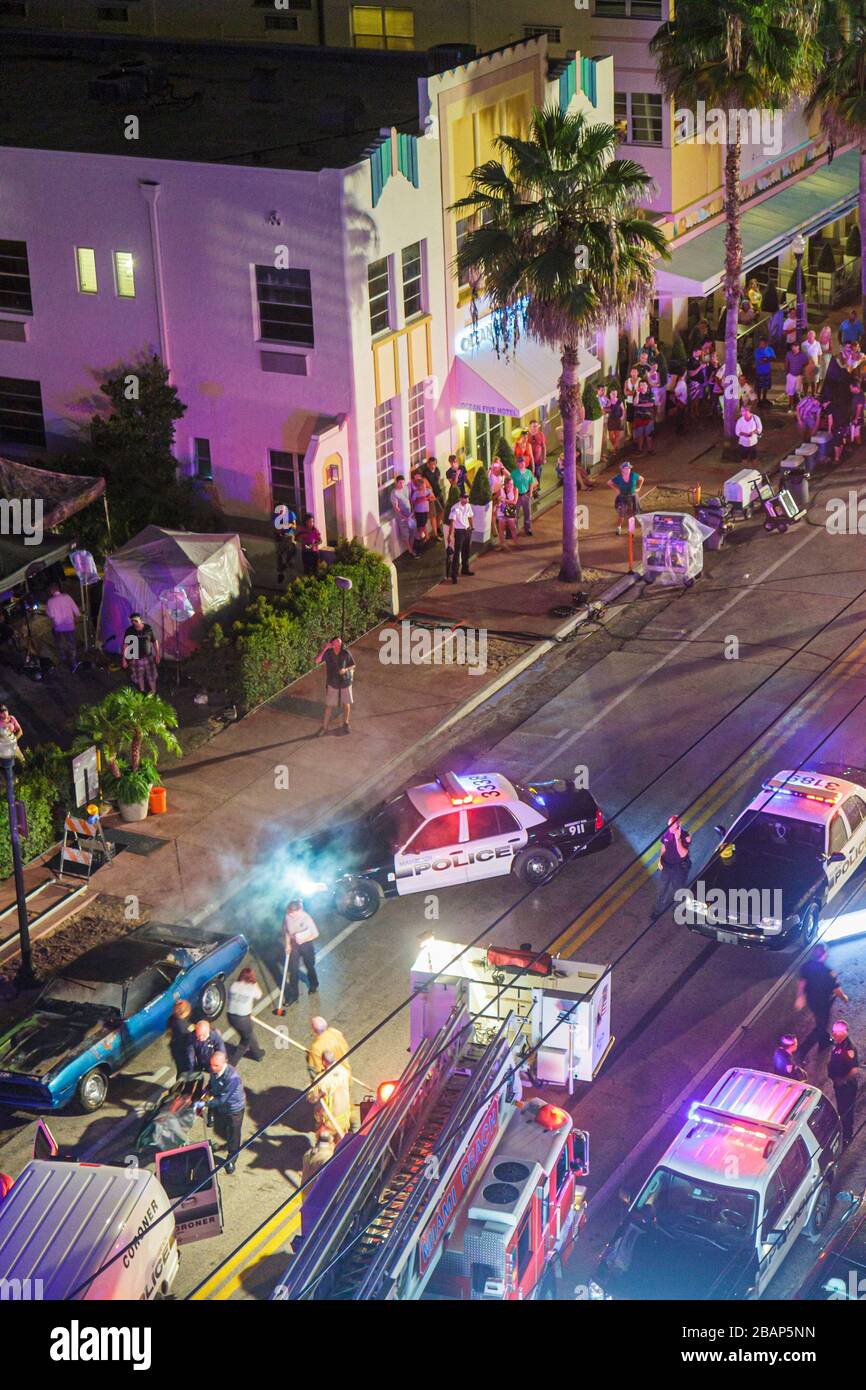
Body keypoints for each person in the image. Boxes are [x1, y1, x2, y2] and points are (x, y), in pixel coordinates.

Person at [797, 943, 848, 1056]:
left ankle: (824, 1041)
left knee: (820, 1020)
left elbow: (802, 982)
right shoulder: (828, 972)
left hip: (811, 1000)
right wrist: (844, 998)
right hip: (823, 1002)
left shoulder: (806, 966)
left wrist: (800, 997)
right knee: (821, 1025)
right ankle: (801, 1052)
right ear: (824, 955)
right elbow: (836, 990)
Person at [205, 1052, 246, 1173]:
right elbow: (211, 1084)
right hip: (222, 1107)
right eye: (211, 1065)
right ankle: (226, 1144)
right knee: (222, 1129)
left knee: (234, 1134)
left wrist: (206, 1104)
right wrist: (206, 1091)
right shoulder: (214, 1071)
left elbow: (223, 1099)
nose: (212, 1068)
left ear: (224, 1063)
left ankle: (232, 1159)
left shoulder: (232, 1078)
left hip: (234, 1109)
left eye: (216, 1065)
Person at [315, 635, 354, 736]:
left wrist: (345, 670)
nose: (338, 645)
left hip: (345, 681)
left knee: (346, 703)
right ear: (332, 644)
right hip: (333, 682)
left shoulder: (345, 653)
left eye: (340, 644)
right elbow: (317, 661)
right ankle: (325, 727)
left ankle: (346, 723)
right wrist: (325, 648)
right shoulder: (328, 653)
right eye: (336, 643)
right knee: (329, 705)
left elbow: (353, 665)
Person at [282, 897, 320, 1003]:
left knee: (309, 966)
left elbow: (315, 934)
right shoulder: (288, 917)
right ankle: (294, 996)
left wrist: (303, 939)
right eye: (289, 913)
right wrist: (288, 944)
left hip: (306, 945)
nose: (291, 915)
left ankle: (314, 984)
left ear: (299, 910)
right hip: (294, 945)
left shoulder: (306, 918)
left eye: (292, 913)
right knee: (293, 970)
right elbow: (286, 931)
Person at [828, 1020, 858, 1147]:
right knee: (841, 1109)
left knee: (846, 1111)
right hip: (839, 1085)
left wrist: (843, 1080)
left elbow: (854, 1070)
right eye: (833, 1032)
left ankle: (847, 1136)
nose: (834, 1035)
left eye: (836, 1032)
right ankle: (843, 1131)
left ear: (843, 1032)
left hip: (847, 1087)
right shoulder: (838, 1044)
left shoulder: (849, 1048)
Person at [310, 1049, 352, 1138]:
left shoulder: (322, 1080)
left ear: (323, 1062)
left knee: (325, 1141)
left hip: (330, 1121)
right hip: (344, 1117)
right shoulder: (343, 1071)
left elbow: (313, 1098)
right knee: (341, 1140)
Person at [655, 814, 692, 915]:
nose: (670, 828)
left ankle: (681, 911)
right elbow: (663, 848)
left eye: (673, 826)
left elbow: (682, 854)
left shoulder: (686, 836)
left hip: (679, 868)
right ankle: (658, 911)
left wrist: (677, 839)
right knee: (662, 889)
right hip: (667, 867)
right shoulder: (667, 834)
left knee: (679, 890)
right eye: (669, 826)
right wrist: (659, 860)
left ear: (679, 825)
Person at [227, 966, 265, 1063]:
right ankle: (232, 1062)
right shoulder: (251, 988)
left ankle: (257, 1053)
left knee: (249, 1034)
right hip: (243, 1019)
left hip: (231, 1016)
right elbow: (259, 995)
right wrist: (255, 982)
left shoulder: (234, 985)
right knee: (245, 1040)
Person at [121, 611, 160, 694]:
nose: (134, 623)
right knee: (139, 676)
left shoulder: (148, 628)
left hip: (148, 657)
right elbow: (125, 645)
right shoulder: (129, 630)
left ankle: (153, 691)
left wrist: (157, 654)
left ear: (141, 620)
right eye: (132, 621)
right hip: (135, 657)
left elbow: (154, 641)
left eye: (136, 621)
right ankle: (142, 691)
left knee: (151, 675)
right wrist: (124, 659)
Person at [45, 583, 81, 670]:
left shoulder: (50, 601)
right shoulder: (67, 597)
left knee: (59, 643)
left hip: (58, 627)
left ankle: (62, 657)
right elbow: (75, 609)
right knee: (71, 644)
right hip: (69, 625)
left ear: (51, 592)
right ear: (59, 589)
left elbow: (51, 615)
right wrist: (77, 615)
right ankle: (73, 663)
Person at [307, 1015, 350, 1081]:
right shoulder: (335, 1032)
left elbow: (317, 1070)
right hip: (345, 1074)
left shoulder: (316, 1048)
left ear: (314, 1030)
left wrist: (310, 1056)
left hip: (331, 1082)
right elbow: (346, 1048)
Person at [607, 460, 643, 538]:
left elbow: (642, 479)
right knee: (621, 515)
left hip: (632, 497)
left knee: (631, 515)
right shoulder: (618, 477)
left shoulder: (634, 475)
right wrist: (616, 489)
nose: (628, 470)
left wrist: (639, 488)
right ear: (622, 469)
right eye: (626, 468)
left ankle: (631, 530)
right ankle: (618, 527)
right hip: (622, 497)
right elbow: (609, 483)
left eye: (629, 468)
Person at [445, 492, 474, 583]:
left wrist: (471, 527)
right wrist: (450, 534)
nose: (466, 499)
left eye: (467, 498)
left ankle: (465, 569)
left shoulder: (468, 506)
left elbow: (470, 516)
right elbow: (452, 522)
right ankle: (454, 574)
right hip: (459, 532)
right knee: (457, 553)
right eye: (465, 498)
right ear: (460, 498)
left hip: (467, 530)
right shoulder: (455, 508)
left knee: (466, 550)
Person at [389, 475, 418, 558]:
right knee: (406, 534)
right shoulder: (394, 493)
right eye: (400, 483)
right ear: (396, 483)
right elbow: (396, 507)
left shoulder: (406, 488)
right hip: (402, 517)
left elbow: (409, 499)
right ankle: (410, 551)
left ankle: (411, 548)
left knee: (413, 530)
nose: (402, 484)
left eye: (403, 482)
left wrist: (413, 510)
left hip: (410, 514)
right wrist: (404, 517)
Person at [168, 999, 196, 1079]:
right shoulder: (183, 1027)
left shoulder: (172, 1019)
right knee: (185, 1071)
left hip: (175, 1047)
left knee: (180, 1071)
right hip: (183, 1051)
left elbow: (169, 1032)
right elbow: (191, 1033)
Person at [510, 455, 536, 535]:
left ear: (525, 463)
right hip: (516, 496)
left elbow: (531, 482)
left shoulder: (529, 472)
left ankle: (527, 529)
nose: (522, 464)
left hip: (526, 495)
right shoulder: (513, 473)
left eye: (523, 462)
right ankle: (514, 530)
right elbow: (510, 485)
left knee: (527, 513)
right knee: (513, 514)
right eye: (520, 462)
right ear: (517, 463)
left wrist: (530, 492)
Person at [421, 456, 444, 539]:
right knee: (433, 515)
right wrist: (430, 494)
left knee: (442, 512)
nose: (433, 466)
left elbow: (437, 481)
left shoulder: (437, 470)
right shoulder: (425, 473)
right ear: (428, 464)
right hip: (431, 496)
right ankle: (436, 532)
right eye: (431, 464)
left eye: (434, 464)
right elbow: (426, 485)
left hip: (439, 493)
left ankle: (438, 527)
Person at [274, 506, 297, 586]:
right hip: (282, 536)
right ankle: (280, 572)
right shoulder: (277, 517)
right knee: (279, 554)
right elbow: (277, 529)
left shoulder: (291, 514)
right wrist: (280, 531)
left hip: (289, 535)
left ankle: (288, 563)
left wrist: (288, 525)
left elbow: (295, 526)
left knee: (290, 545)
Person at [409, 468, 433, 546]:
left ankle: (421, 539)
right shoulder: (415, 491)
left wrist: (427, 498)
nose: (424, 487)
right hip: (418, 511)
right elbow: (414, 500)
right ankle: (424, 538)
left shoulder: (427, 491)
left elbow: (432, 497)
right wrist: (424, 498)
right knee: (421, 525)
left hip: (425, 510)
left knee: (422, 524)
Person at [631, 379, 655, 453]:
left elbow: (651, 404)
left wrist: (640, 404)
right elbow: (635, 403)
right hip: (639, 417)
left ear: (647, 385)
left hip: (648, 417)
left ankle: (650, 449)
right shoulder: (637, 393)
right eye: (641, 385)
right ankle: (640, 449)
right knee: (640, 434)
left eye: (644, 385)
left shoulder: (651, 393)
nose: (642, 386)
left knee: (649, 434)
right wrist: (637, 394)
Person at [497, 473, 520, 546]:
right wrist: (499, 500)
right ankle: (502, 545)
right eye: (509, 484)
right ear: (506, 484)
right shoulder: (501, 490)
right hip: (502, 510)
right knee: (501, 529)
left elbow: (514, 502)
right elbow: (497, 499)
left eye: (512, 484)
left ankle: (516, 544)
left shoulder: (515, 490)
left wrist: (504, 500)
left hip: (510, 509)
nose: (511, 485)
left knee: (513, 527)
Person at [785, 341, 808, 410]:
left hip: (799, 376)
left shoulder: (802, 355)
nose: (794, 348)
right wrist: (787, 373)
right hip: (791, 375)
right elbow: (786, 363)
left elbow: (807, 363)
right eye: (792, 347)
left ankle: (798, 406)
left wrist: (802, 371)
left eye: (795, 346)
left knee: (798, 392)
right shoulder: (788, 354)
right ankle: (791, 405)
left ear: (798, 347)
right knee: (790, 391)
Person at [753, 336, 775, 406]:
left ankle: (764, 399)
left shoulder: (769, 349)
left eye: (763, 344)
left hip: (767, 371)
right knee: (759, 387)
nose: (761, 345)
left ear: (766, 344)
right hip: (759, 371)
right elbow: (761, 361)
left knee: (766, 386)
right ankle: (759, 400)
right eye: (760, 343)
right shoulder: (757, 350)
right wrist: (768, 358)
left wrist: (766, 358)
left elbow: (773, 358)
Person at [801, 329, 821, 395]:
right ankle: (805, 394)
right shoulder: (803, 344)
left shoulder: (817, 344)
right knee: (805, 380)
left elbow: (819, 354)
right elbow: (801, 355)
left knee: (814, 380)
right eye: (809, 337)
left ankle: (813, 394)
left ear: (814, 337)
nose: (810, 338)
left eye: (811, 337)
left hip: (815, 364)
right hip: (806, 364)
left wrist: (818, 364)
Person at [606, 388, 625, 452]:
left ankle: (613, 449)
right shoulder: (608, 401)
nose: (614, 395)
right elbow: (607, 409)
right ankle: (615, 447)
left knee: (617, 436)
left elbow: (623, 410)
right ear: (610, 394)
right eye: (613, 394)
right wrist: (610, 402)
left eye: (615, 394)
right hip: (611, 419)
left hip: (618, 419)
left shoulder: (620, 401)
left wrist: (622, 417)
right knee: (611, 436)